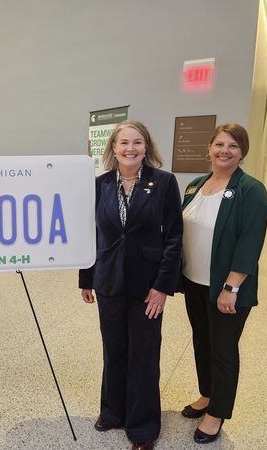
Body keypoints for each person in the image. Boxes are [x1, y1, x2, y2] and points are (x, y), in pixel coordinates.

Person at [79, 120, 183, 450]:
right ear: (112, 148)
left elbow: (174, 237)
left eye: (137, 142)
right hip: (109, 279)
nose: (130, 148)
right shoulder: (99, 185)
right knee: (114, 350)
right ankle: (112, 411)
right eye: (123, 143)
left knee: (143, 354)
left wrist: (163, 287)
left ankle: (142, 426)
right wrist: (87, 278)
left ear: (147, 147)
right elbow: (90, 234)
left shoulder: (164, 182)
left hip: (147, 284)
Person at [179, 122, 267, 444]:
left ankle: (217, 413)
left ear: (242, 152)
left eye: (233, 146)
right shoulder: (196, 185)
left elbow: (250, 241)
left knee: (223, 350)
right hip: (194, 282)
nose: (224, 151)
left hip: (226, 288)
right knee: (202, 342)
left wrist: (231, 287)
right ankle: (206, 395)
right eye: (219, 144)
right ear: (209, 148)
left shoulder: (250, 190)